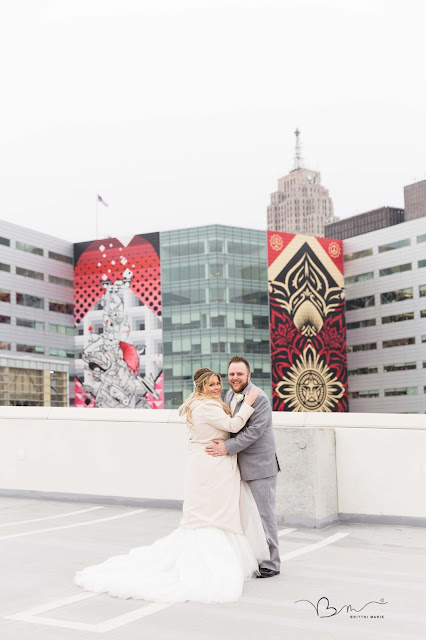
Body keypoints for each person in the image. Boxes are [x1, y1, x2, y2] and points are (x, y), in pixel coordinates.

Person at [74, 368, 269, 604]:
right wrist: (248, 403)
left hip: (211, 465)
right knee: (210, 514)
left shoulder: (201, 403)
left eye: (218, 383)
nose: (217, 387)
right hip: (210, 467)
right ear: (201, 388)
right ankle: (208, 562)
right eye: (211, 385)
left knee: (212, 511)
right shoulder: (206, 406)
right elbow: (235, 425)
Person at [205, 356, 281, 578]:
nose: (235, 377)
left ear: (249, 375)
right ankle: (254, 557)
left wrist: (226, 447)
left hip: (260, 467)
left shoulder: (260, 399)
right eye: (231, 374)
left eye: (239, 374)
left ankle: (272, 563)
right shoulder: (229, 394)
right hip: (239, 466)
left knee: (264, 515)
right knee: (248, 516)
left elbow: (252, 433)